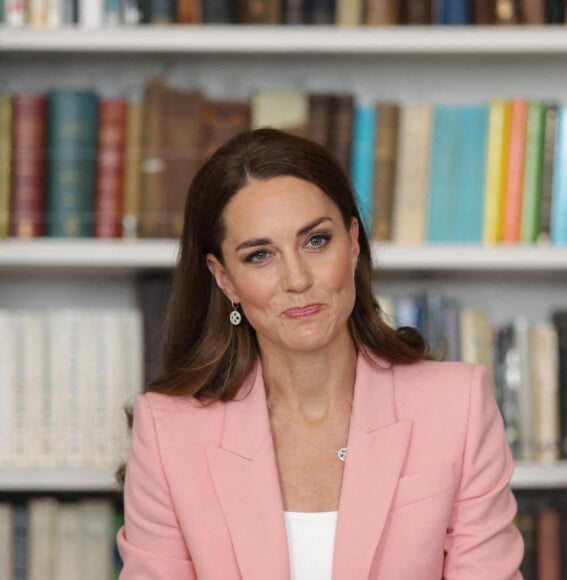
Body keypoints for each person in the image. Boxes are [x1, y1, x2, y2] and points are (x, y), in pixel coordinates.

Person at [117, 128, 524, 579]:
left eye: (315, 241)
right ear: (224, 278)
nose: (296, 279)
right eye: (259, 256)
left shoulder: (458, 405)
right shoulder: (167, 433)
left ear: (352, 242)